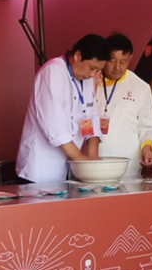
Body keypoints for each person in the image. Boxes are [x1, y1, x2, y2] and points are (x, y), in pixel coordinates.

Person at [16, 34, 109, 184]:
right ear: (78, 56)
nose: (93, 75)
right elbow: (53, 125)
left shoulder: (85, 79)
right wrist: (80, 159)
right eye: (92, 68)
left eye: (98, 70)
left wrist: (93, 155)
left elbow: (89, 117)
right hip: (40, 169)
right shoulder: (53, 71)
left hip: (68, 169)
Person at [96, 33, 152, 177]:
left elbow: (148, 127)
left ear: (130, 58)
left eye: (123, 62)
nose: (117, 67)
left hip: (127, 169)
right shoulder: (89, 82)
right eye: (112, 61)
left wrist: (147, 148)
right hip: (91, 165)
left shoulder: (140, 87)